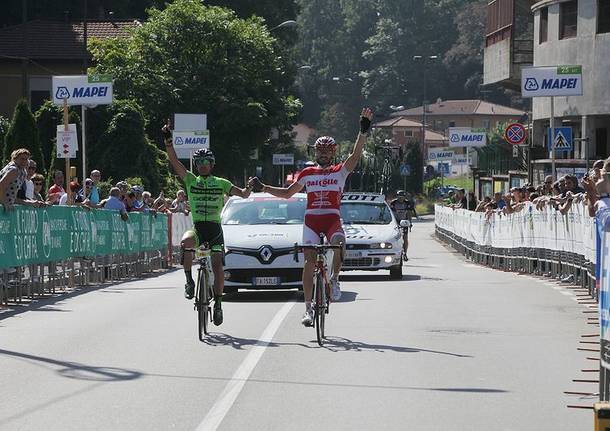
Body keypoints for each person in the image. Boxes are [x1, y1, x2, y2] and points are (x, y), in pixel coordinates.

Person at [248, 107, 374, 327]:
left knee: (339, 242)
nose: (323, 154)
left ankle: (334, 279)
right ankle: (308, 309)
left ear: (333, 153)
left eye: (327, 151)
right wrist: (264, 187)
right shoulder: (307, 173)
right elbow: (287, 194)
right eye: (320, 151)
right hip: (312, 221)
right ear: (315, 153)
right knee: (308, 263)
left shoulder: (340, 171)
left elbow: (355, 156)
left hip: (332, 218)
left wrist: (362, 132)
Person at [163, 120, 252, 327]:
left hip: (214, 230)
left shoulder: (221, 183)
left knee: (217, 264)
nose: (202, 165)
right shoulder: (191, 180)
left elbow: (244, 195)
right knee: (185, 244)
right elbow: (175, 161)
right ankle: (188, 281)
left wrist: (249, 188)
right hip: (198, 228)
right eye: (199, 162)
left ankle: (219, 303)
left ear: (212, 165)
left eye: (206, 162)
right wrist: (168, 141)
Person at [390, 190, 416, 261]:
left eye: (402, 197)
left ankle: (405, 253)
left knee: (405, 238)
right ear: (397, 197)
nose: (401, 199)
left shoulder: (407, 203)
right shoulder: (393, 203)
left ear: (404, 197)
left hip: (404, 221)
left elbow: (409, 213)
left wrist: (410, 222)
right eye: (399, 197)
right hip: (395, 222)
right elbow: (391, 213)